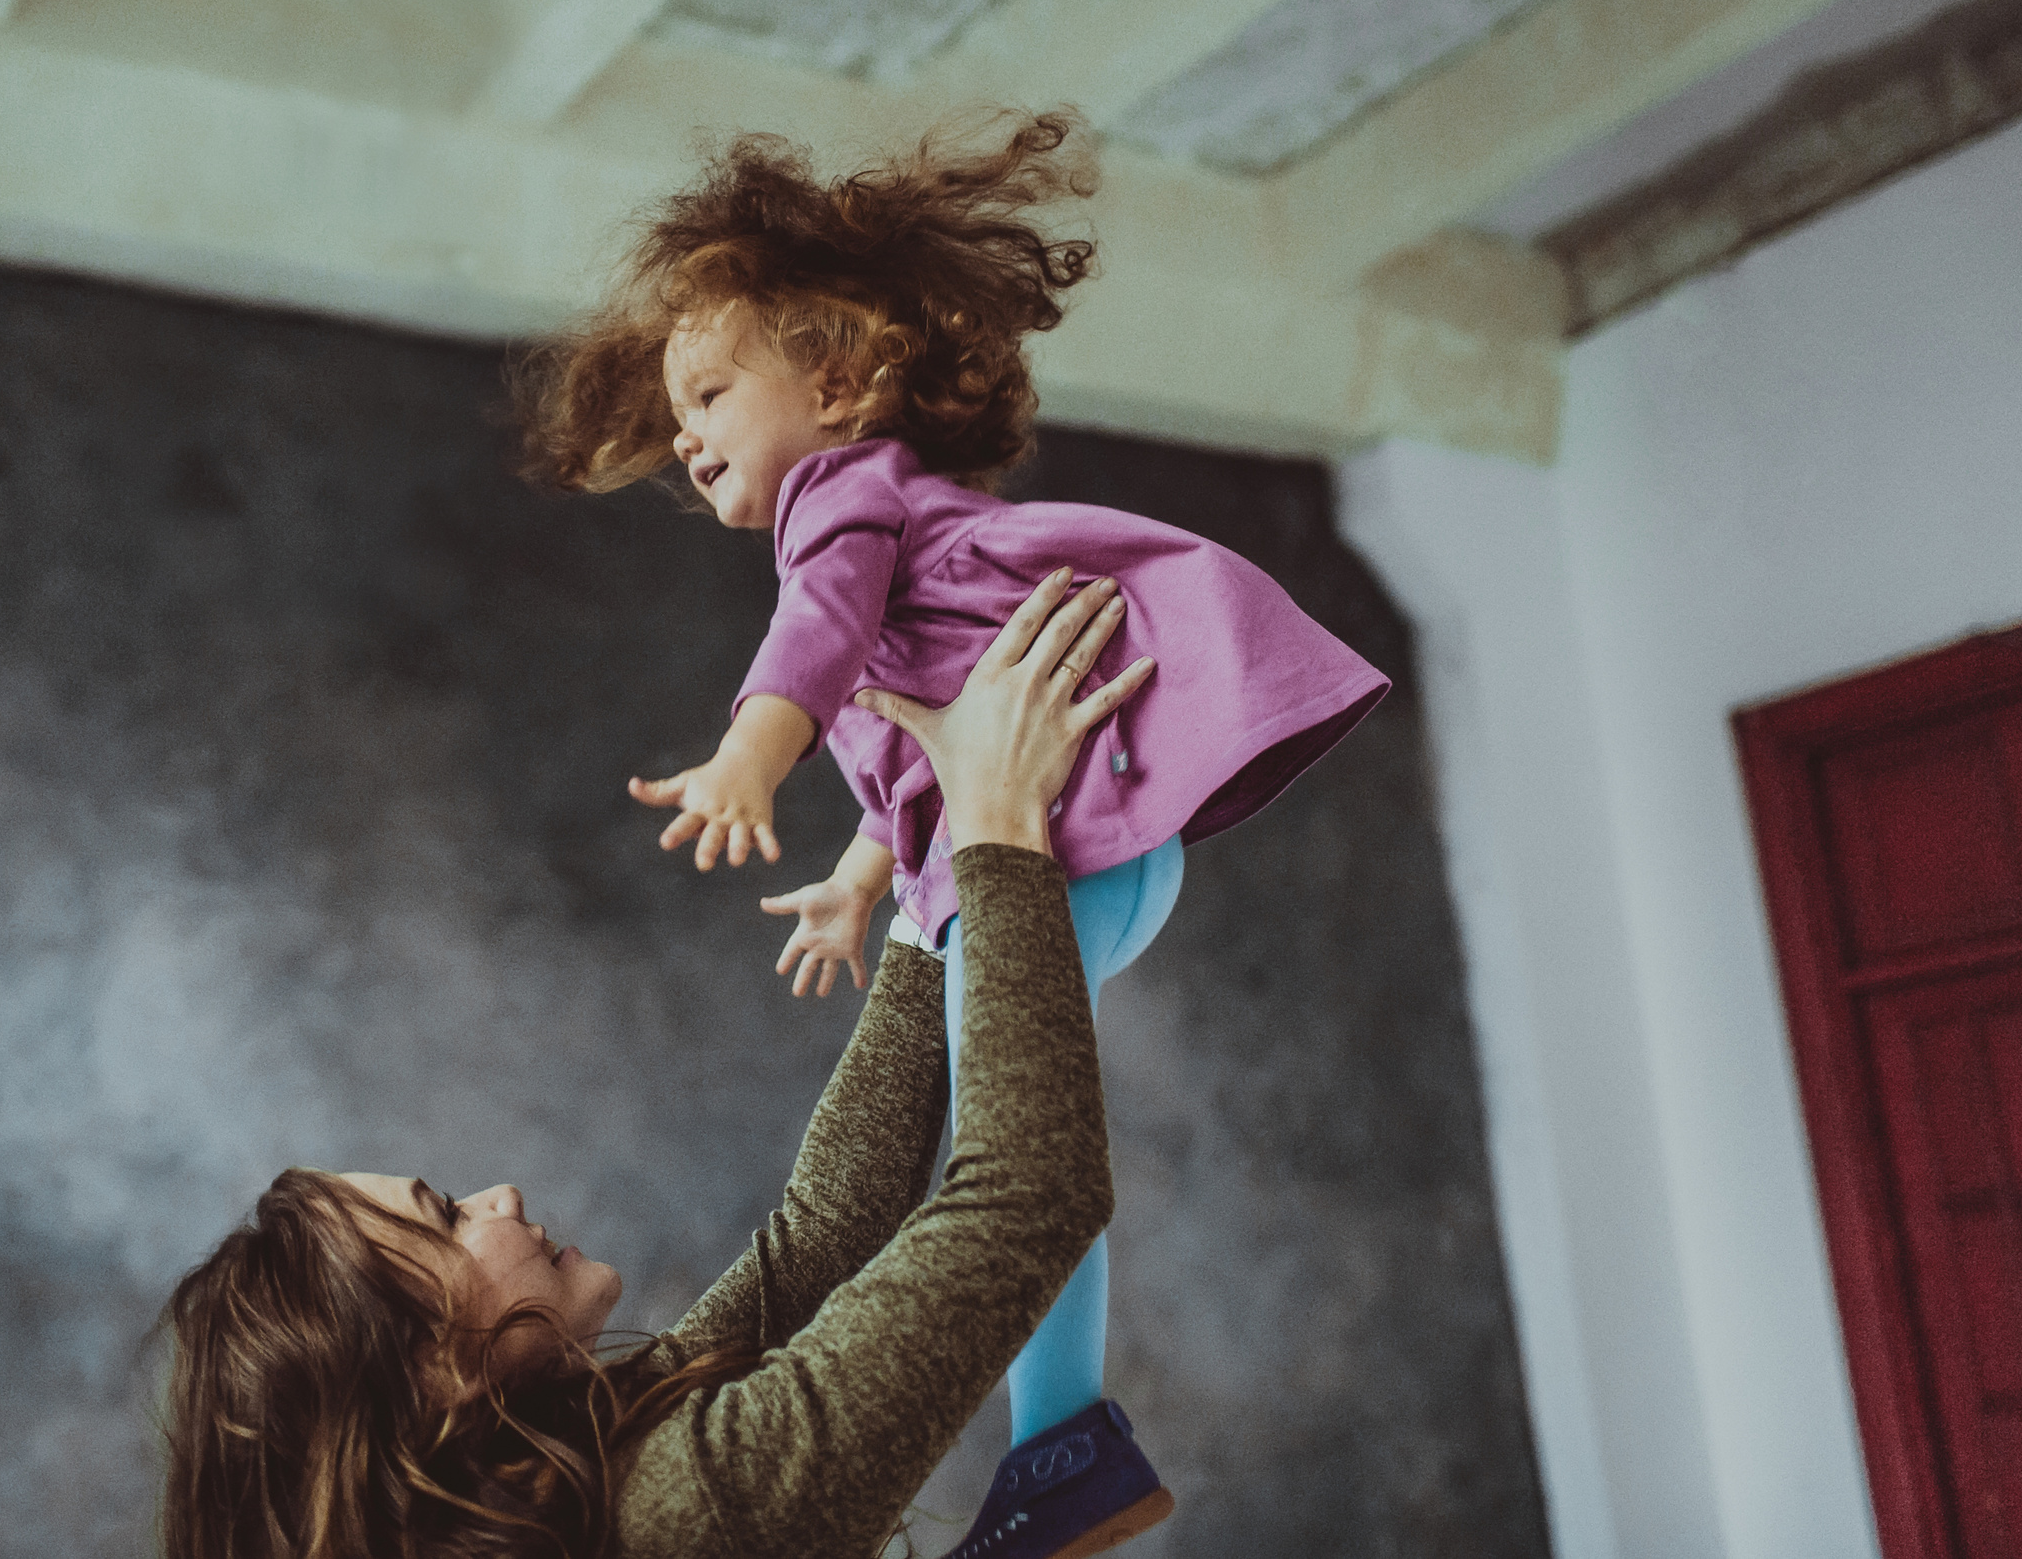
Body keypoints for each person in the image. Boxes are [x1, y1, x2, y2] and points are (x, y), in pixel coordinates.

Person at [512, 112, 1387, 1497]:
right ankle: (1065, 1437)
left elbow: (820, 633)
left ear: (845, 383)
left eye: (714, 394)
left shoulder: (842, 510)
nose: (688, 437)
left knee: (1017, 1153)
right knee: (1013, 1131)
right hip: (1069, 850)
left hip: (1060, 853)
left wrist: (755, 747)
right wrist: (869, 878)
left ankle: (1066, 1445)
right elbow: (920, 735)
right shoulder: (884, 522)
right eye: (681, 412)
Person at [158, 573, 1179, 1559]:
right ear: (432, 1376)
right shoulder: (682, 1516)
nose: (496, 1194)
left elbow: (825, 1234)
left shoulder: (587, 1471)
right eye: (443, 1215)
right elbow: (1025, 1197)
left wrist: (926, 870)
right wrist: (997, 823)